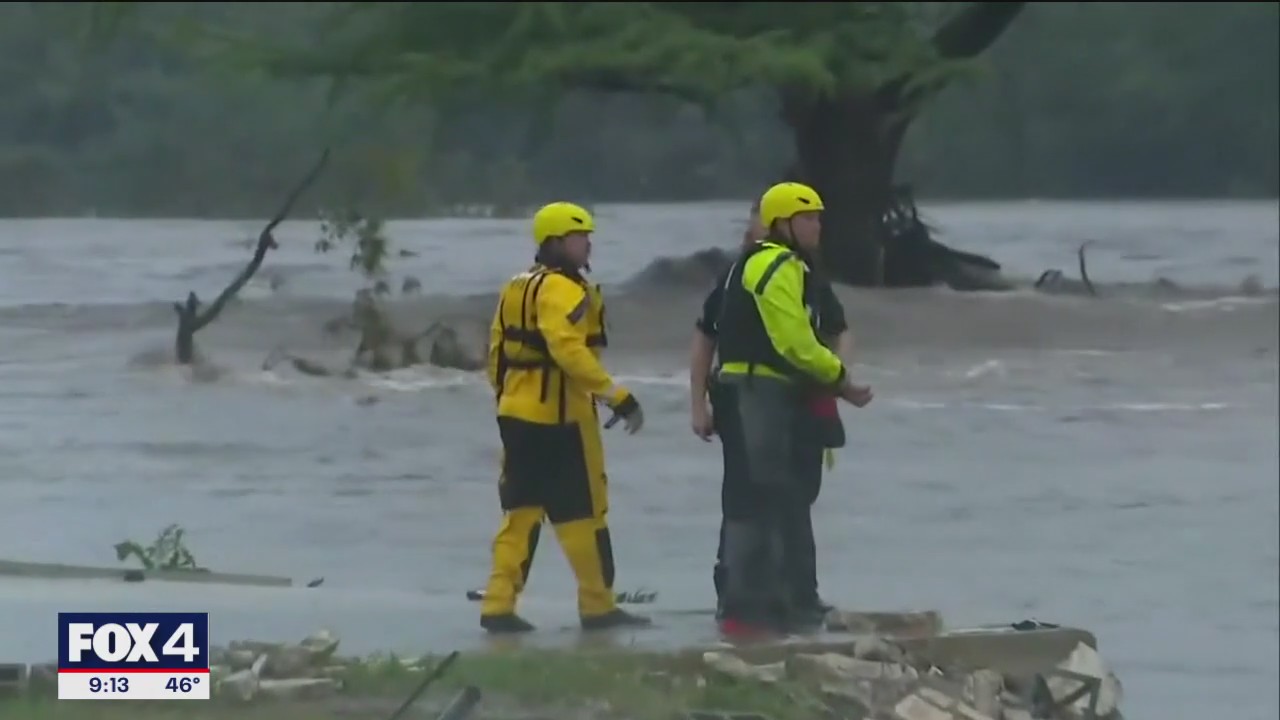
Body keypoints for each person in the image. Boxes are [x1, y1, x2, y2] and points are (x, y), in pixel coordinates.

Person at [709, 182, 873, 635]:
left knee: (767, 497)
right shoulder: (778, 265)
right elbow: (795, 340)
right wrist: (841, 379)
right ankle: (750, 606)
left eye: (819, 218)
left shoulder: (774, 265)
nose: (817, 227)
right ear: (782, 223)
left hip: (757, 391)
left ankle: (770, 603)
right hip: (756, 392)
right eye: (807, 218)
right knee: (760, 498)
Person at [479, 201, 650, 634]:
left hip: (514, 417)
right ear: (555, 242)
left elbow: (496, 353)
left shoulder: (515, 288)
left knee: (520, 512)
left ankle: (498, 605)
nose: (588, 244)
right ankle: (597, 606)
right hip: (562, 422)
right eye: (580, 237)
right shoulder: (565, 291)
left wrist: (505, 397)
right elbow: (568, 349)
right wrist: (617, 395)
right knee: (584, 513)